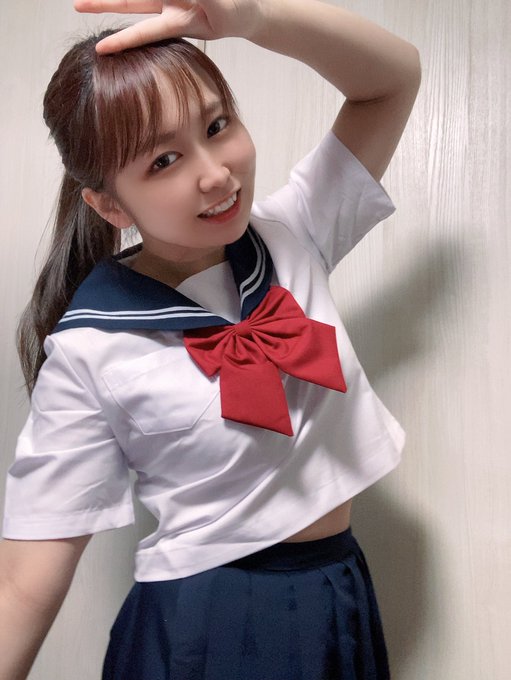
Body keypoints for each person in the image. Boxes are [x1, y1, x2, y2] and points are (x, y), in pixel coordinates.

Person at [0, 1, 421, 678]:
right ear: (110, 205)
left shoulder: (292, 234)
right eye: (164, 160)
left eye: (217, 126)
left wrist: (251, 18)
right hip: (203, 627)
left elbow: (391, 79)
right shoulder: (89, 349)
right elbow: (22, 584)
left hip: (336, 587)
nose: (216, 174)